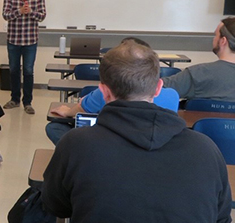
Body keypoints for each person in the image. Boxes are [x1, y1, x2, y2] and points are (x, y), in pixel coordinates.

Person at [41, 42, 232, 223]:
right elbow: (219, 222)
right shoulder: (206, 149)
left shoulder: (74, 143)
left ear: (103, 92)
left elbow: (55, 205)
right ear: (159, 88)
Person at [45, 38, 180, 145]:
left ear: (105, 92)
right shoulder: (172, 96)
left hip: (105, 145)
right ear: (158, 87)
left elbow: (82, 107)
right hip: (153, 150)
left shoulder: (100, 96)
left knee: (55, 127)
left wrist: (68, 111)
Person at [163, 17, 235, 105]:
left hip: (203, 129)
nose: (213, 39)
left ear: (223, 41)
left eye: (215, 35)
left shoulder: (198, 72)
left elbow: (159, 88)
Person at [2, 0, 46, 114]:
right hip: (13, 40)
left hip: (30, 41)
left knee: (28, 71)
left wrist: (31, 12)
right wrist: (19, 11)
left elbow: (42, 16)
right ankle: (14, 99)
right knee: (14, 70)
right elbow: (6, 15)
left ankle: (27, 102)